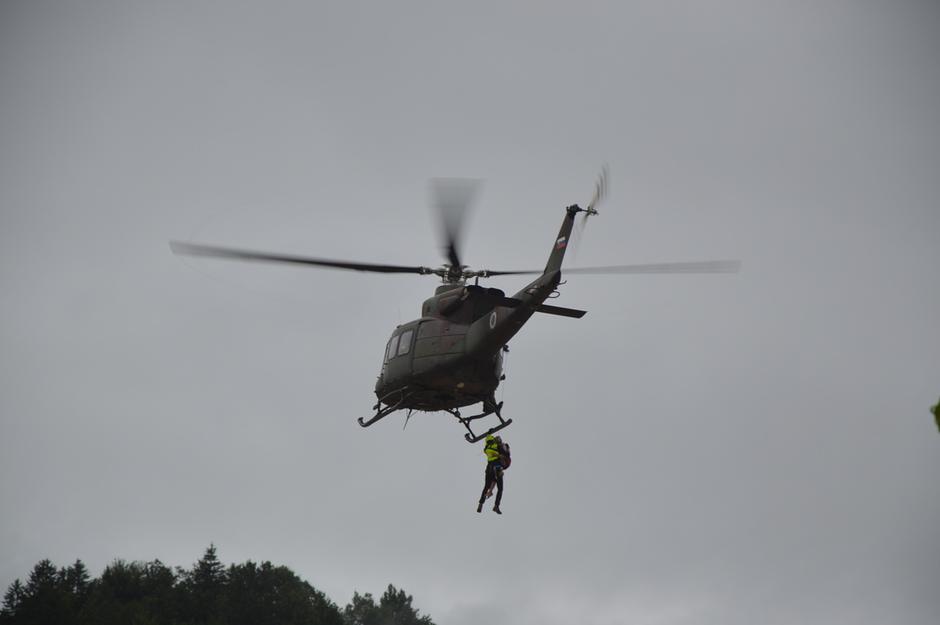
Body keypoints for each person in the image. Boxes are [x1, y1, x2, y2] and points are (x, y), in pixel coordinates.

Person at [477, 434, 507, 514]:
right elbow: (504, 453)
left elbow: (488, 441)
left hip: (489, 468)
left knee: (487, 486)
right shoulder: (496, 446)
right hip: (497, 468)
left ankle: (481, 503)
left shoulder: (487, 447)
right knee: (500, 489)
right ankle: (496, 506)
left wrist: (490, 433)